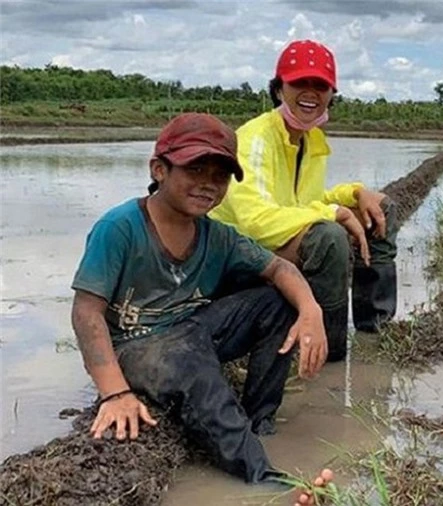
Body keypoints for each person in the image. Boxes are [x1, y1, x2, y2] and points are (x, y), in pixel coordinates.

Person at [70, 112, 332, 494]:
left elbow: (279, 268)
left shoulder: (217, 235)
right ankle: (266, 482)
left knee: (278, 301)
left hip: (193, 330)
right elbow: (86, 311)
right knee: (193, 369)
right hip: (137, 345)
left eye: (220, 175)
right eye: (196, 169)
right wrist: (115, 392)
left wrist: (312, 311)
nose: (208, 185)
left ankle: (259, 420)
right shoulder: (121, 227)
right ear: (159, 169)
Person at [210, 39, 398, 362]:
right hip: (236, 254)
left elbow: (303, 201)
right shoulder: (256, 139)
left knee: (380, 208)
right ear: (279, 88)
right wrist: (333, 212)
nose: (311, 93)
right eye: (300, 82)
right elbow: (255, 222)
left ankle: (374, 328)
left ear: (331, 94)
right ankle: (329, 353)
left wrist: (353, 194)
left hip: (273, 239)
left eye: (320, 85)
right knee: (329, 237)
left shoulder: (310, 139)